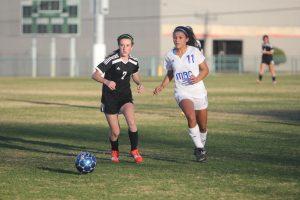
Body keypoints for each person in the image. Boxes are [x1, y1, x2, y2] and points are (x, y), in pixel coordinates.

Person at [153, 26, 209, 162]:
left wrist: (198, 78)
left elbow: (205, 70)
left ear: (186, 39)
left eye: (180, 37)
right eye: (175, 37)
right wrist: (162, 86)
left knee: (203, 127)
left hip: (199, 92)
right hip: (182, 92)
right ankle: (200, 149)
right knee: (190, 116)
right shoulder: (169, 55)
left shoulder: (195, 52)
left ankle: (200, 146)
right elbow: (170, 73)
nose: (177, 40)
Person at [92, 34, 144, 164]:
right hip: (110, 98)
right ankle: (114, 150)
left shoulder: (134, 61)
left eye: (127, 45)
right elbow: (95, 75)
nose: (124, 48)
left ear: (131, 47)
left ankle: (134, 150)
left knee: (131, 122)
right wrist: (107, 81)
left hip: (125, 97)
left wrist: (139, 83)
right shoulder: (111, 60)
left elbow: (135, 75)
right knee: (115, 132)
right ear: (119, 46)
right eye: (122, 45)